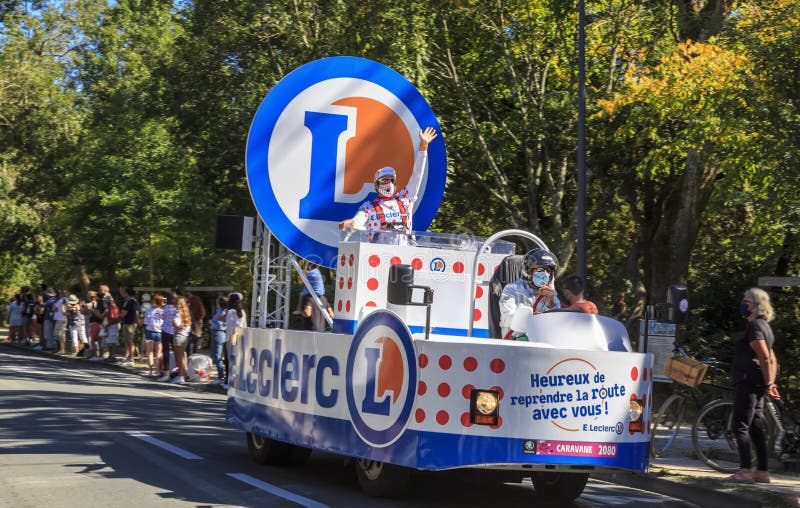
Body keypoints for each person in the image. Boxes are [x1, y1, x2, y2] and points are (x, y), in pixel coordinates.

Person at [338, 127, 439, 241]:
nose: (388, 184)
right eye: (384, 180)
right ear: (376, 185)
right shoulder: (369, 207)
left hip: (405, 255)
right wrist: (351, 222)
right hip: (378, 256)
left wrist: (423, 147)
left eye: (392, 180)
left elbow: (417, 175)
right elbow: (357, 220)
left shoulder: (405, 198)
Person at [729, 288, 780, 483]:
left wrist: (769, 383)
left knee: (740, 426)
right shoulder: (765, 326)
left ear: (757, 305)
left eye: (746, 301)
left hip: (748, 382)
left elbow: (765, 357)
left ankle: (745, 471)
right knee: (756, 427)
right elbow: (772, 358)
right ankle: (763, 472)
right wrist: (770, 383)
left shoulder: (755, 328)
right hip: (757, 383)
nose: (743, 304)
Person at [499, 248, 561, 339]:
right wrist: (531, 318)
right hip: (514, 341)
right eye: (540, 269)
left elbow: (556, 324)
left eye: (548, 270)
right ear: (529, 270)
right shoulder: (511, 289)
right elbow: (507, 318)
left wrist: (550, 304)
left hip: (541, 342)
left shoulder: (551, 294)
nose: (545, 273)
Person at [220, 292, 247, 389]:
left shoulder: (230, 312)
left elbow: (230, 327)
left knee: (230, 360)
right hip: (241, 337)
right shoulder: (242, 312)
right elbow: (244, 326)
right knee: (238, 361)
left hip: (232, 337)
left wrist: (229, 341)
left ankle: (229, 382)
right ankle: (237, 383)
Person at [171, 297, 192, 384]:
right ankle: (183, 374)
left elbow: (176, 323)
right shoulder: (187, 313)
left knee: (179, 358)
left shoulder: (177, 313)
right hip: (185, 336)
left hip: (179, 336)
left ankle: (180, 376)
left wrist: (174, 325)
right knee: (183, 357)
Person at [143, 294, 164, 377]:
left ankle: (150, 371)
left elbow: (145, 321)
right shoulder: (163, 311)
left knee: (150, 352)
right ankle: (158, 371)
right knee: (158, 353)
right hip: (159, 332)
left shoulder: (149, 310)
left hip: (150, 332)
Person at [209, 295, 228, 385]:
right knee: (217, 355)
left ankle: (221, 376)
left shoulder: (222, 312)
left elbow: (219, 321)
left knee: (217, 356)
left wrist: (212, 322)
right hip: (220, 333)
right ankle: (221, 376)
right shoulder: (223, 311)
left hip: (218, 332)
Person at [119, 286, 139, 365]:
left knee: (130, 341)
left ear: (127, 293)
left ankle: (131, 358)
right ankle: (127, 357)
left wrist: (120, 316)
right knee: (127, 341)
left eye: (125, 293)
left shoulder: (130, 302)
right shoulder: (132, 301)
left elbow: (124, 313)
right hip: (128, 322)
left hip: (130, 323)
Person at [187, 293, 206, 357]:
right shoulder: (201, 312)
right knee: (195, 352)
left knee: (189, 352)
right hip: (198, 333)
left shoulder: (190, 311)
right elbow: (201, 324)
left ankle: (189, 365)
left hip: (190, 332)